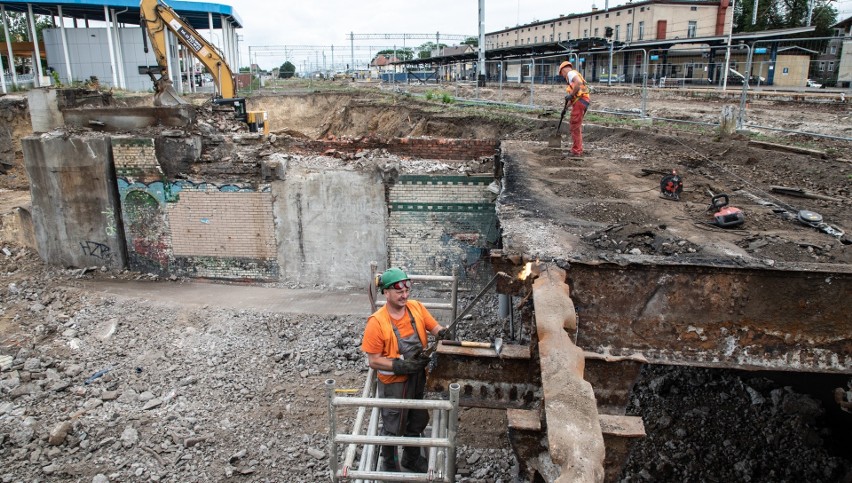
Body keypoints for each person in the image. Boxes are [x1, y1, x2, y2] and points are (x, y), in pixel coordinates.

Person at [361, 268, 448, 473]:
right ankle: (389, 464)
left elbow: (435, 328)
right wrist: (399, 365)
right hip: (394, 383)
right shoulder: (377, 322)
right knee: (393, 426)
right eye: (399, 291)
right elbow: (373, 360)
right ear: (386, 293)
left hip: (417, 377)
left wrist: (443, 332)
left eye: (407, 290)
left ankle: (411, 459)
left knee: (417, 420)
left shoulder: (416, 308)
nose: (405, 295)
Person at [558, 60, 591, 157]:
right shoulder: (573, 78)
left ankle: (576, 151)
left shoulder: (571, 74)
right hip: (581, 101)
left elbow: (579, 82)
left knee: (575, 126)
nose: (563, 77)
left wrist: (571, 95)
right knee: (575, 125)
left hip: (580, 102)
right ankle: (577, 149)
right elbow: (573, 98)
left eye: (562, 74)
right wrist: (565, 109)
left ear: (563, 71)